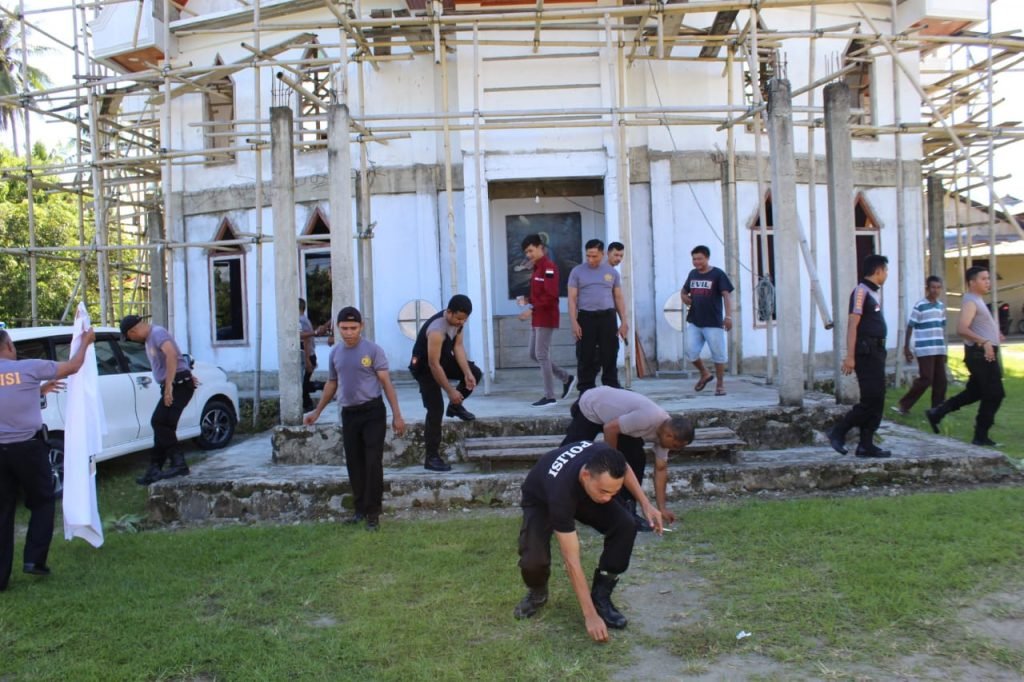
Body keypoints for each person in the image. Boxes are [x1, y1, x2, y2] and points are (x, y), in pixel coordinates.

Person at [514, 440, 662, 641]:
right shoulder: (561, 493)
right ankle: (537, 592)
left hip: (584, 491)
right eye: (604, 491)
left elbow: (624, 467)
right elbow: (572, 561)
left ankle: (601, 597)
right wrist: (590, 615)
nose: (608, 498)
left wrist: (645, 504)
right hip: (541, 500)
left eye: (614, 492)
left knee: (626, 524)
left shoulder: (606, 458)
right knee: (534, 561)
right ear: (586, 475)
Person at [1, 326, 95, 591]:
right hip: (28, 448)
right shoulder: (29, 368)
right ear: (9, 346)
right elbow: (73, 366)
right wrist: (86, 341)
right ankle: (34, 560)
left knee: (2, 512)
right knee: (42, 501)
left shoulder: (27, 375)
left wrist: (39, 390)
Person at [305, 307, 405, 531]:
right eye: (344, 328)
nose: (349, 332)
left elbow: (386, 383)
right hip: (349, 414)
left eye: (353, 328)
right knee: (354, 463)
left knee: (372, 462)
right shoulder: (335, 353)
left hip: (372, 413)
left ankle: (373, 514)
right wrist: (317, 412)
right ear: (338, 328)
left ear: (361, 327)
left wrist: (397, 415)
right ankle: (360, 510)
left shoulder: (373, 351)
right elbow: (332, 383)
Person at [561, 386, 693, 531]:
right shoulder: (647, 418)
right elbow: (610, 428)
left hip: (618, 422)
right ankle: (557, 505)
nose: (674, 449)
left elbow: (661, 469)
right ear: (669, 435)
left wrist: (662, 508)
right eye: (675, 446)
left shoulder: (666, 434)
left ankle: (627, 510)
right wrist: (612, 460)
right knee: (568, 456)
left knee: (636, 458)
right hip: (592, 405)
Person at [926, 266, 1006, 447]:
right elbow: (962, 328)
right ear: (972, 282)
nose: (988, 282)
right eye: (983, 279)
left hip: (984, 352)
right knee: (994, 394)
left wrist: (995, 334)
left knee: (975, 392)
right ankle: (980, 436)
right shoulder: (970, 301)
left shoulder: (977, 300)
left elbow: (978, 326)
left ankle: (937, 413)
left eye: (988, 278)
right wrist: (984, 341)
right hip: (981, 355)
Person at [826, 254, 892, 459]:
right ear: (878, 270)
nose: (886, 274)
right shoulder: (861, 292)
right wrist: (850, 356)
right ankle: (839, 431)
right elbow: (853, 324)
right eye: (885, 270)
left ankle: (866, 444)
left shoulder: (874, 292)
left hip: (877, 351)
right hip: (866, 352)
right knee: (870, 398)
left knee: (878, 399)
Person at [409, 294, 483, 472]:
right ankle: (431, 457)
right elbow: (433, 365)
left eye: (464, 319)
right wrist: (450, 391)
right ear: (449, 312)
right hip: (425, 367)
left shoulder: (459, 323)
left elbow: (458, 347)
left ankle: (455, 407)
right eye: (458, 318)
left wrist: (467, 373)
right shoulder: (437, 330)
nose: (461, 322)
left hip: (442, 359)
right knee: (435, 409)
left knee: (475, 373)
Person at [121, 316, 198, 483]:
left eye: (130, 337)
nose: (133, 340)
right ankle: (154, 469)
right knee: (163, 426)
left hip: (178, 385)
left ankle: (179, 464)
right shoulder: (151, 338)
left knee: (159, 423)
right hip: (177, 382)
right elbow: (177, 359)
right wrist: (184, 373)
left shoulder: (157, 333)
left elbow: (171, 355)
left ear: (132, 331)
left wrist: (169, 386)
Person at [519, 234, 575, 407]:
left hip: (546, 317)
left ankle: (549, 396)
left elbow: (551, 296)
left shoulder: (549, 267)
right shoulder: (536, 268)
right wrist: (527, 300)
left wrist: (531, 309)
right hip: (537, 317)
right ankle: (566, 377)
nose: (528, 255)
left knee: (541, 355)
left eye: (531, 250)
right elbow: (540, 293)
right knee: (533, 354)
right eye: (526, 252)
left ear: (540, 247)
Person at [567, 239, 628, 394]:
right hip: (586, 318)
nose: (590, 259)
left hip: (607, 317)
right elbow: (572, 299)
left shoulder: (612, 273)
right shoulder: (577, 272)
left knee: (610, 352)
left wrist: (624, 322)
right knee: (585, 354)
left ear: (603, 254)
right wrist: (574, 322)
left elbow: (618, 298)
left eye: (594, 256)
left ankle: (611, 387)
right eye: (588, 256)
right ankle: (586, 389)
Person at [680, 245, 734, 396]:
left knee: (718, 354)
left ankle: (720, 384)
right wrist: (684, 297)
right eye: (694, 259)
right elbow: (684, 291)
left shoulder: (718, 274)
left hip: (713, 322)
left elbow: (726, 296)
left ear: (707, 258)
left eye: (700, 259)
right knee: (690, 351)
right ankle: (704, 373)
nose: (696, 262)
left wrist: (728, 316)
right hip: (695, 321)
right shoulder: (692, 274)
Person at [893, 276, 947, 416]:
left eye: (938, 287)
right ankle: (904, 405)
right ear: (927, 288)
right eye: (933, 287)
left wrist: (944, 350)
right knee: (926, 379)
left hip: (938, 348)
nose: (935, 290)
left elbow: (941, 327)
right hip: (925, 349)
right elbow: (910, 326)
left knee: (941, 380)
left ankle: (937, 409)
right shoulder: (920, 305)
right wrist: (906, 347)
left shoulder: (941, 306)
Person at [299, 298, 317, 411]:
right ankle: (308, 404)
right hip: (309, 355)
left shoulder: (301, 321)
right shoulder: (304, 319)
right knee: (304, 383)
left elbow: (305, 339)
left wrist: (307, 359)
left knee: (303, 385)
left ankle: (308, 405)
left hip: (308, 355)